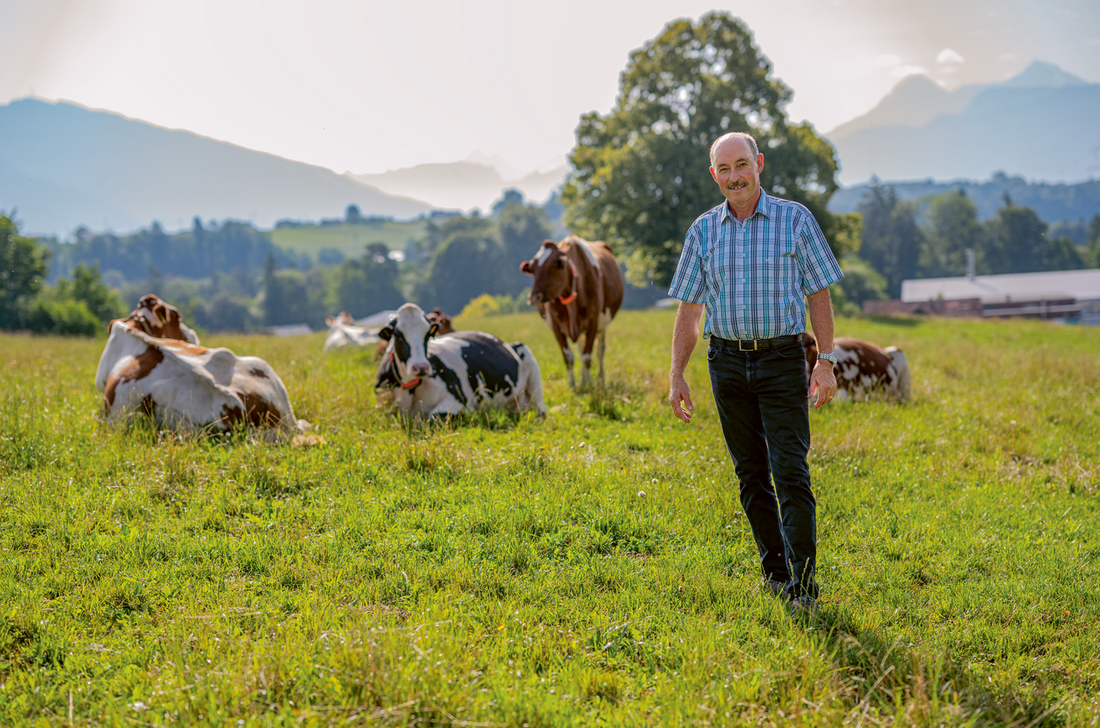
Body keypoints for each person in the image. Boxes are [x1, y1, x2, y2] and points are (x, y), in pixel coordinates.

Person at [666, 132, 843, 615]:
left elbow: (820, 292)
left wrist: (825, 361)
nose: (734, 177)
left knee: (790, 471)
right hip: (725, 361)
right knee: (750, 474)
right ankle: (776, 575)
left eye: (741, 165)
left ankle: (804, 585)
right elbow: (688, 310)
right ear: (714, 175)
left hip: (783, 359)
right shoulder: (703, 231)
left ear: (759, 163)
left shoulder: (794, 220)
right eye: (724, 169)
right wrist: (677, 374)